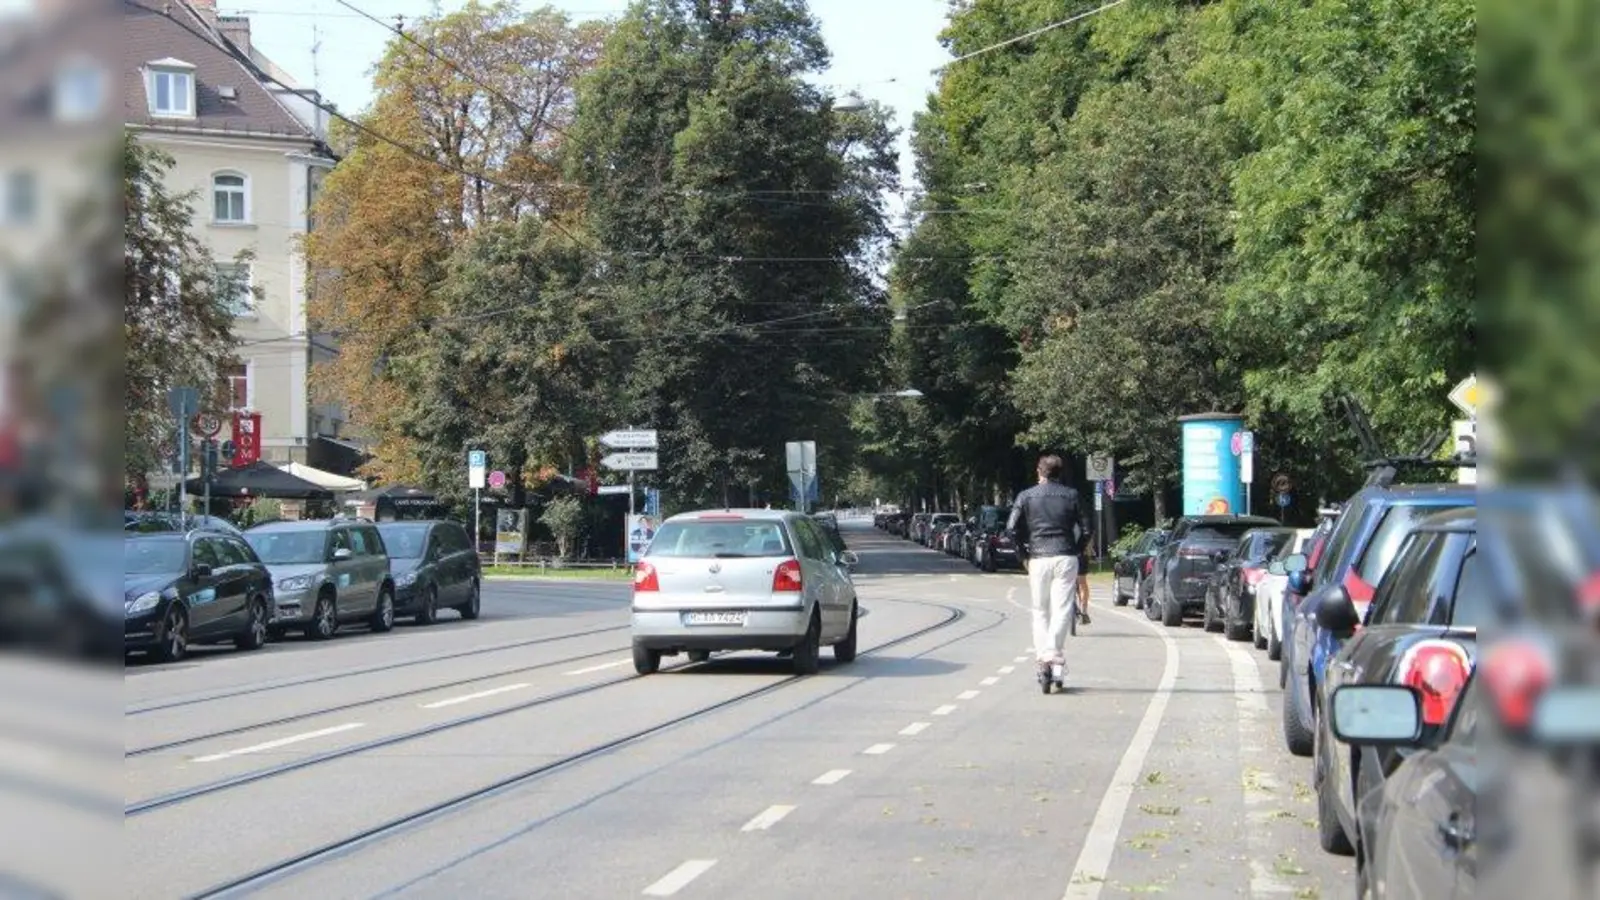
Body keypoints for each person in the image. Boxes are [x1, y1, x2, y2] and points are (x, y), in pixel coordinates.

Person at [1006, 454, 1095, 688]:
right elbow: (1088, 528)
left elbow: (1011, 528)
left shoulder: (1026, 496)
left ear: (1039, 471)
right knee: (1062, 608)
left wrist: (1023, 556)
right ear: (1060, 473)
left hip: (1038, 557)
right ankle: (1054, 653)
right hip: (1065, 555)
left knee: (1040, 610)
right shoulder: (1071, 496)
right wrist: (1076, 550)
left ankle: (1044, 656)